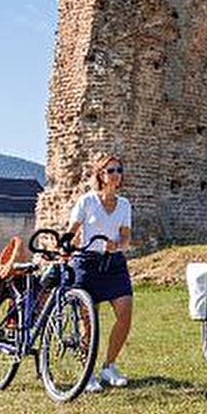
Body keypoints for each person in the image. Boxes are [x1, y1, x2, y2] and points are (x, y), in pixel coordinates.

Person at [66, 151, 134, 392]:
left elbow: (126, 237)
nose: (116, 174)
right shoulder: (87, 201)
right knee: (88, 322)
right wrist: (68, 247)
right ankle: (87, 373)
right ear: (101, 175)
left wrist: (118, 245)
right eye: (111, 170)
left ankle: (109, 366)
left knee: (125, 314)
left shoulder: (124, 205)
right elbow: (72, 231)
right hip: (87, 264)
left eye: (119, 170)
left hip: (113, 264)